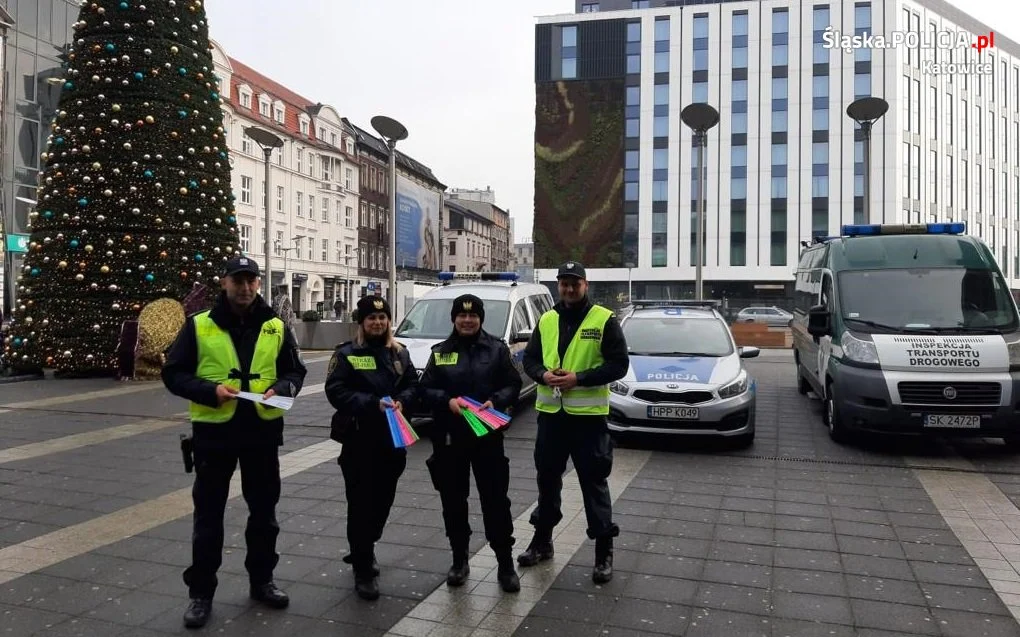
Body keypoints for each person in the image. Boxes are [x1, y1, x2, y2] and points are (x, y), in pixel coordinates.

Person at [161, 255, 308, 629]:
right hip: (215, 434)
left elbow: (295, 369)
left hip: (261, 433)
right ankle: (200, 594)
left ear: (258, 284)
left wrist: (284, 387)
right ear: (224, 283)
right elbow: (173, 373)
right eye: (238, 280)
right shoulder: (199, 325)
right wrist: (210, 390)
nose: (245, 288)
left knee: (264, 516)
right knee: (208, 518)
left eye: (251, 281)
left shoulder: (276, 325)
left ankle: (262, 581)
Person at [518, 261, 629, 584]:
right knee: (547, 480)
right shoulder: (547, 319)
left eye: (574, 283)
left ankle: (603, 552)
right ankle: (542, 542)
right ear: (558, 286)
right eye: (564, 283)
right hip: (552, 417)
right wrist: (542, 374)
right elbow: (530, 359)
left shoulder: (604, 320)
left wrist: (579, 378)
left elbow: (619, 364)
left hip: (588, 420)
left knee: (593, 484)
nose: (569, 289)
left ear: (585, 285)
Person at [419, 294, 523, 593]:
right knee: (453, 501)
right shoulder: (440, 352)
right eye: (461, 316)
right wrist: (448, 401)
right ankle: (459, 559)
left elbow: (513, 384)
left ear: (480, 319)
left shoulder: (497, 349)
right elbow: (425, 388)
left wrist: (497, 401)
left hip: (486, 436)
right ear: (454, 318)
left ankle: (505, 563)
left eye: (473, 316)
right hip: (450, 438)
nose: (467, 320)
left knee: (496, 502)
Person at [324, 295, 419, 601]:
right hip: (359, 441)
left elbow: (412, 385)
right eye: (371, 319)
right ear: (362, 323)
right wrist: (371, 404)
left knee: (383, 502)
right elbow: (335, 390)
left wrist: (404, 400)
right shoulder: (348, 354)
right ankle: (363, 565)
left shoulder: (400, 353)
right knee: (361, 504)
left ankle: (364, 545)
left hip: (393, 442)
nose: (378, 323)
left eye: (382, 318)